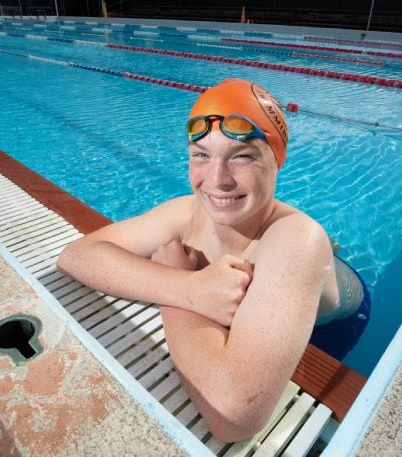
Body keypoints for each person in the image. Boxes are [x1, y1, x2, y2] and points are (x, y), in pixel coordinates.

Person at [57, 78, 351, 442]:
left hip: (335, 324)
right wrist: (188, 287)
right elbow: (76, 256)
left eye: (242, 156)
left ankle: (331, 252)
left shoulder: (297, 239)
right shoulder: (187, 212)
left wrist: (174, 289)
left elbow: (235, 418)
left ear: (277, 162)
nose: (217, 180)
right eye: (201, 155)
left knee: (318, 247)